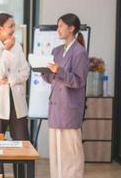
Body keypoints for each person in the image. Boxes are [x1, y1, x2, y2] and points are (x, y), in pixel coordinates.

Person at [41, 13, 89, 178]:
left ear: (71, 28)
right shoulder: (57, 50)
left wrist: (58, 71)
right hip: (55, 107)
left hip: (69, 108)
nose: (58, 29)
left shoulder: (80, 52)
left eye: (61, 25)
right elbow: (52, 79)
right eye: (58, 25)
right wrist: (43, 70)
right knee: (56, 155)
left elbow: (79, 81)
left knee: (71, 155)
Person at [0, 13, 30, 175]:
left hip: (17, 101)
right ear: (0, 28)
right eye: (11, 26)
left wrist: (9, 80)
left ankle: (22, 175)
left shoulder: (18, 46)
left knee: (22, 143)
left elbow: (26, 71)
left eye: (14, 26)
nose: (13, 29)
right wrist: (7, 51)